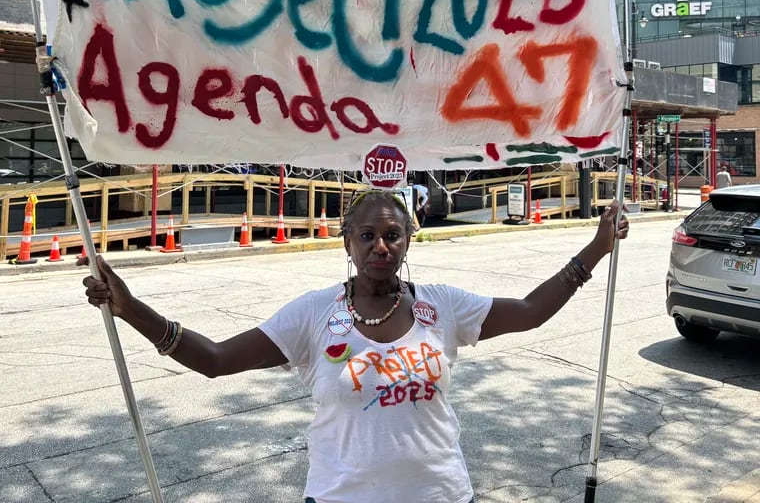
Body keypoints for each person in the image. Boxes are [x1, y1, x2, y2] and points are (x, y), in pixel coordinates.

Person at [83, 190, 629, 503]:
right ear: (347, 243)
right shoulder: (314, 314)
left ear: (409, 241)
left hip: (439, 495)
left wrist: (597, 248)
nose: (380, 246)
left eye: (392, 235)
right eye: (367, 235)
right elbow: (215, 360)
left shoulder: (442, 305)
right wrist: (131, 309)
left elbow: (530, 313)